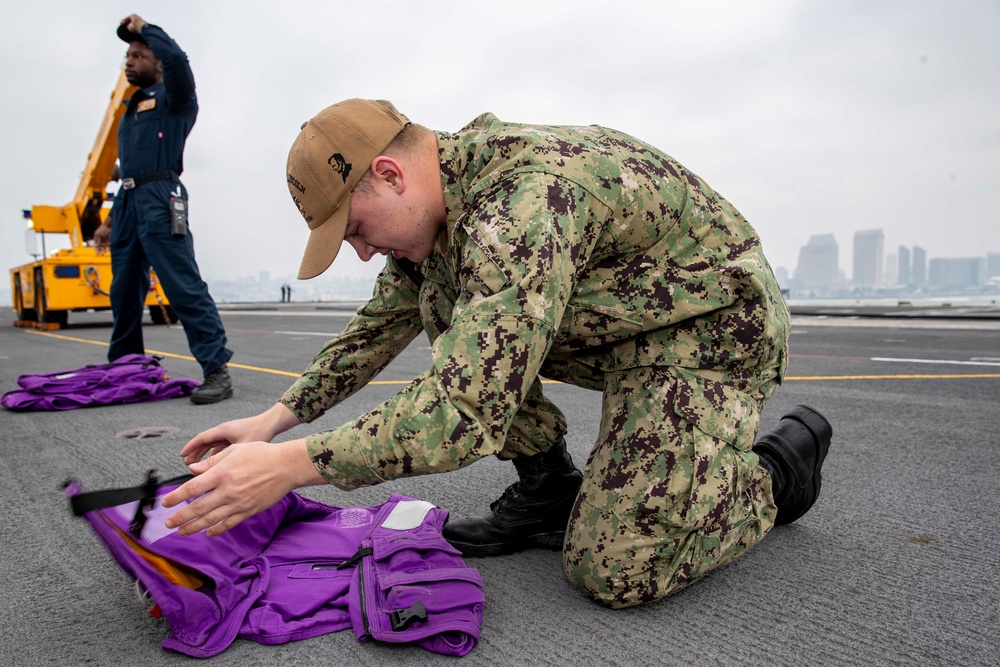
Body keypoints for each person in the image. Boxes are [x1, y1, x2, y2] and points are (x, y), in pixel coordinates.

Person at [162, 99, 833, 609]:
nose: (362, 251)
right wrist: (273, 420)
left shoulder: (518, 203)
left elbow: (464, 408)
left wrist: (287, 466)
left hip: (711, 328)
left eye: (357, 230)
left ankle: (776, 471)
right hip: (626, 326)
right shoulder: (442, 213)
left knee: (618, 566)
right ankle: (549, 490)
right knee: (438, 298)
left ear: (390, 174)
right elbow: (374, 328)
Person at [93, 14, 233, 404]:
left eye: (138, 55)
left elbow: (177, 59)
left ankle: (216, 369)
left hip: (161, 197)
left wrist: (146, 28)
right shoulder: (131, 108)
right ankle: (125, 368)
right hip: (128, 201)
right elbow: (129, 174)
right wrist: (108, 221)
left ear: (156, 62)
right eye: (127, 57)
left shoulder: (176, 99)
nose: (129, 61)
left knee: (182, 286)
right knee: (123, 293)